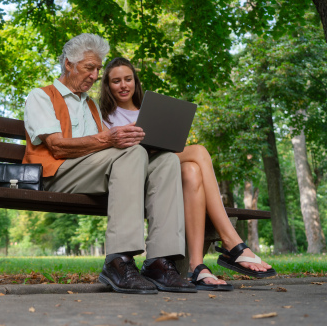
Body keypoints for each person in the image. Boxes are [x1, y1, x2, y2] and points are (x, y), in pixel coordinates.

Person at [23, 33, 196, 294]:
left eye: (97, 69)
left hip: (91, 172)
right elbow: (57, 146)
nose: (94, 76)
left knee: (167, 161)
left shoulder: (91, 105)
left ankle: (160, 262)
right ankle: (118, 260)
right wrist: (110, 138)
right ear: (69, 64)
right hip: (57, 173)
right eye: (88, 68)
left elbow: (109, 147)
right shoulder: (41, 96)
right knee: (133, 154)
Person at [99, 57, 276, 291]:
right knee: (200, 151)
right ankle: (233, 243)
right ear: (107, 86)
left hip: (162, 170)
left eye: (128, 79)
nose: (123, 85)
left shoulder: (150, 112)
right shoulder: (104, 116)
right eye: (116, 81)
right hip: (132, 177)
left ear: (136, 82)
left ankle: (196, 266)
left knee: (192, 171)